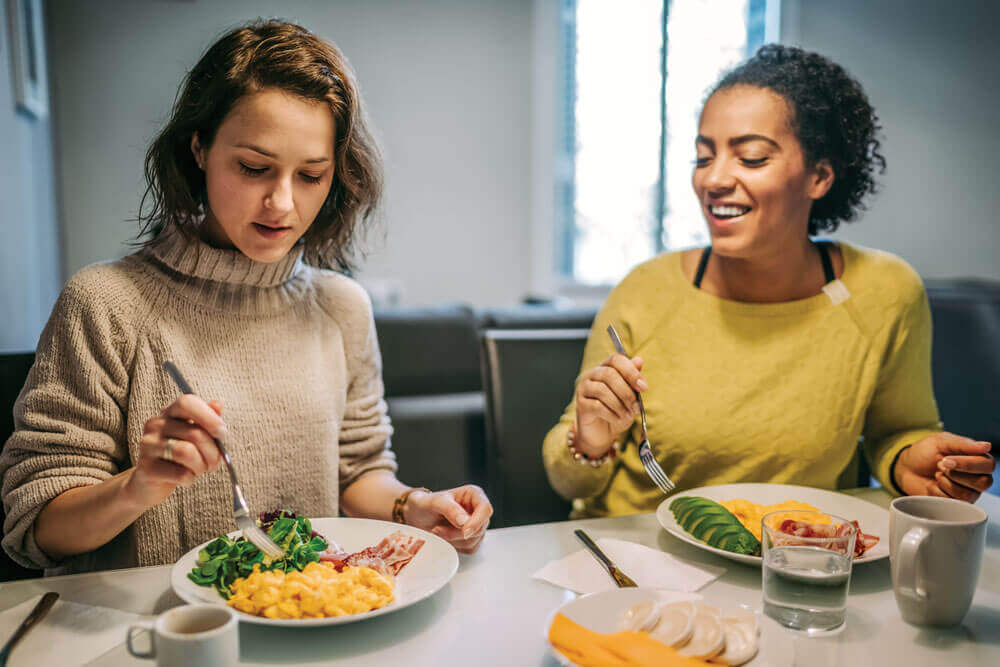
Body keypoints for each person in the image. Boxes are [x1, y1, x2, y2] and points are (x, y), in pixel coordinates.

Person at [1, 20, 491, 574]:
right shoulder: (106, 303)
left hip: (302, 623)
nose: (281, 203)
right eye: (254, 168)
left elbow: (356, 473)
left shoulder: (341, 308)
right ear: (200, 148)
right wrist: (141, 485)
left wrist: (413, 505)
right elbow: (34, 526)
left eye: (310, 175)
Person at [543, 44, 995, 518]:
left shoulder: (885, 292)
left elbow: (897, 433)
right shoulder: (645, 290)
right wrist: (590, 440)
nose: (713, 180)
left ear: (818, 177)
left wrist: (908, 462)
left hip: (796, 564)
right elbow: (567, 479)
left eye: (751, 158)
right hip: (638, 564)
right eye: (703, 157)